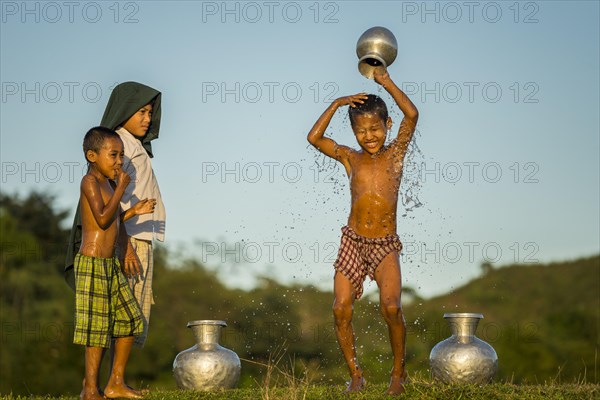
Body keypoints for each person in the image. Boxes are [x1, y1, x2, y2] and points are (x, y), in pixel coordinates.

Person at [307, 70, 418, 395]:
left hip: (384, 244)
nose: (368, 136)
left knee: (391, 307)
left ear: (387, 125)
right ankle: (356, 373)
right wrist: (337, 103)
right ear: (353, 132)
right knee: (340, 307)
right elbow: (314, 138)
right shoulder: (351, 158)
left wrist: (385, 82)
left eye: (375, 128)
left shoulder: (396, 153)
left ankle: (398, 373)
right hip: (353, 241)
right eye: (360, 131)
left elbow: (412, 114)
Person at [67, 81, 166, 349]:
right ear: (125, 111)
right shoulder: (123, 146)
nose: (148, 119)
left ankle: (116, 381)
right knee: (125, 316)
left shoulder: (131, 145)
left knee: (131, 315)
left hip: (136, 236)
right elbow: (112, 203)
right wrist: (127, 248)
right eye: (141, 112)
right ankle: (111, 382)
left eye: (150, 113)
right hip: (129, 238)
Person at [75, 126, 155, 400]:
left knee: (130, 320)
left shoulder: (110, 185)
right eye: (113, 155)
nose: (119, 162)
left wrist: (126, 250)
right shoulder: (90, 182)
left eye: (121, 156)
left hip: (109, 265)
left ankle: (115, 383)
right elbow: (102, 218)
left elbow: (117, 221)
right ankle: (89, 390)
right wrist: (122, 188)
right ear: (92, 155)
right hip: (92, 264)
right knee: (96, 329)